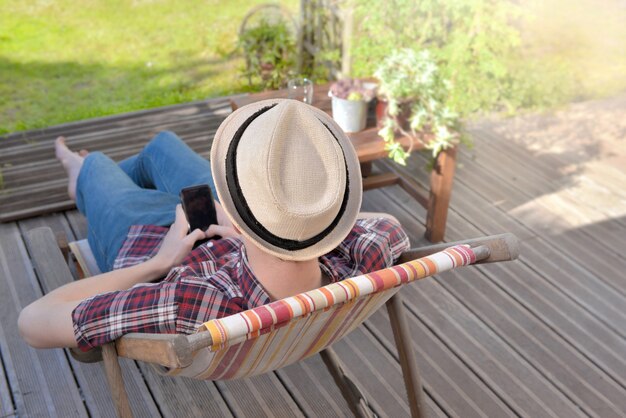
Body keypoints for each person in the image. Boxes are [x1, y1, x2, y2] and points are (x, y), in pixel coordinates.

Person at [18, 99, 410, 351]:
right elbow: (388, 222)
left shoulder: (188, 300)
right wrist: (259, 230)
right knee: (163, 146)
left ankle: (81, 175)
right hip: (232, 232)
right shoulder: (366, 252)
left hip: (144, 241)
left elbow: (32, 322)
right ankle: (95, 181)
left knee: (96, 164)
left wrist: (157, 263)